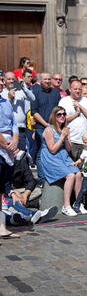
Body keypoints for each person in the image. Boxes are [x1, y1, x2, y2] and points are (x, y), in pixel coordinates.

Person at [40, 106, 83, 216]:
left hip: (63, 155)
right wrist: (62, 137)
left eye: (64, 114)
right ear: (54, 116)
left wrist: (67, 136)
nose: (62, 116)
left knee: (78, 174)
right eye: (59, 114)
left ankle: (78, 204)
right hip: (51, 158)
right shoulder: (49, 130)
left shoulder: (65, 129)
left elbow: (68, 149)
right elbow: (53, 150)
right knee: (70, 176)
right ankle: (66, 206)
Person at [31, 73, 61, 186]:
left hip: (55, 127)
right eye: (45, 79)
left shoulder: (56, 92)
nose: (47, 81)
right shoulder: (35, 92)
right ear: (40, 80)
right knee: (41, 153)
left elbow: (59, 109)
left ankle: (53, 176)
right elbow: (34, 112)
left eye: (49, 79)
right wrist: (46, 124)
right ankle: (42, 179)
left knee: (54, 152)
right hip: (41, 128)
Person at [0, 76, 21, 239]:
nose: (2, 83)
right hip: (2, 147)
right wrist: (6, 145)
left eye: (2, 80)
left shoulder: (6, 101)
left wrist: (14, 140)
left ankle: (1, 227)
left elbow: (14, 122)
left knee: (3, 188)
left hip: (8, 147)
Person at [58, 79, 87, 161]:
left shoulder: (86, 101)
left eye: (80, 89)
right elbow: (61, 119)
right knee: (71, 168)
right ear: (70, 89)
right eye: (75, 89)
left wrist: (81, 108)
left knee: (84, 169)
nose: (78, 91)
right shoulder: (64, 101)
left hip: (85, 141)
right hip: (70, 140)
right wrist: (76, 113)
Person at [2, 71, 36, 151]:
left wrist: (23, 86)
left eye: (13, 79)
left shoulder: (20, 92)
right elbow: (4, 110)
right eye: (9, 79)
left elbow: (33, 98)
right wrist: (10, 98)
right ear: (4, 80)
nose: (11, 81)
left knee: (21, 155)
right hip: (7, 130)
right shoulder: (2, 93)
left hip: (21, 129)